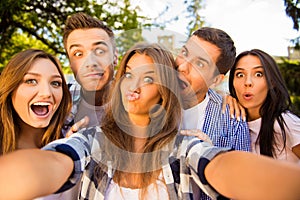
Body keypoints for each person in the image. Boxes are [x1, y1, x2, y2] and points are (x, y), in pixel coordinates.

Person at [1, 43, 300, 200]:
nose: (134, 85)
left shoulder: (183, 146)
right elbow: (57, 162)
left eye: (149, 78)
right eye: (129, 74)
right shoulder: (93, 139)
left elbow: (220, 166)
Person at [176, 27, 251, 199]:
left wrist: (213, 164)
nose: (182, 66)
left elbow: (241, 189)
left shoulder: (233, 121)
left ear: (216, 80)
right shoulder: (150, 95)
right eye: (184, 52)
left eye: (200, 64)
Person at [0, 49, 72, 199]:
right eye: (31, 81)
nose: (46, 92)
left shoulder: (72, 140)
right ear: (10, 88)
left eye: (55, 83)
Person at [228, 49, 300, 163]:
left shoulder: (285, 123)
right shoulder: (234, 124)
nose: (247, 82)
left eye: (258, 74)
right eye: (240, 74)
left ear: (272, 82)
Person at [61, 12, 118, 136]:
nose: (90, 63)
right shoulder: (58, 100)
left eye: (100, 51)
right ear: (71, 63)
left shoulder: (139, 99)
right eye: (78, 54)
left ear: (115, 57)